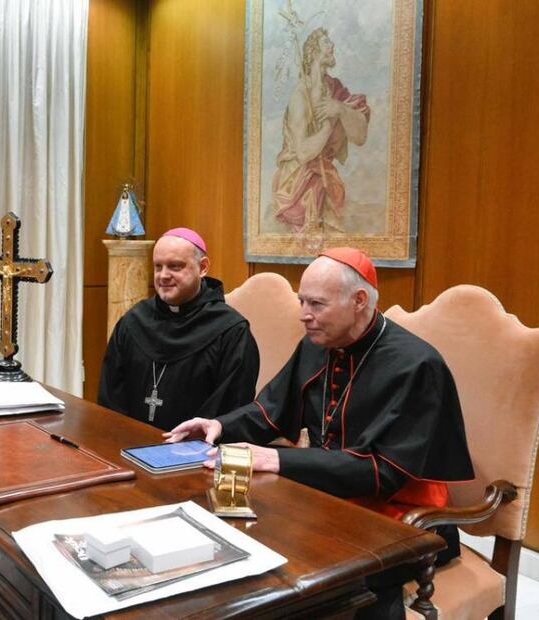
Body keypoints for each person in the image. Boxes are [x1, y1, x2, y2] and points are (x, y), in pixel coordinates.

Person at [166, 247, 474, 619]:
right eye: (301, 301)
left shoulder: (416, 365)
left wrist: (279, 459)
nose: (304, 315)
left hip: (402, 515)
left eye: (317, 304)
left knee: (320, 588)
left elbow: (383, 472)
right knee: (235, 543)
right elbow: (273, 410)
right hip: (329, 500)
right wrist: (220, 425)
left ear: (359, 301)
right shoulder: (318, 342)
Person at [98, 228, 260, 431]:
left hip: (195, 454)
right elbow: (111, 396)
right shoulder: (133, 321)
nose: (163, 276)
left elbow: (231, 408)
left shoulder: (231, 331)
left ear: (203, 267)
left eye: (175, 266)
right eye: (158, 266)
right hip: (127, 447)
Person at [272, 28, 369, 234]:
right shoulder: (301, 95)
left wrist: (340, 109)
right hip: (297, 184)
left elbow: (360, 136)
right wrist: (326, 127)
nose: (332, 45)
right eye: (326, 42)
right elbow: (304, 153)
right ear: (314, 51)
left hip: (325, 179)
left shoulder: (335, 89)